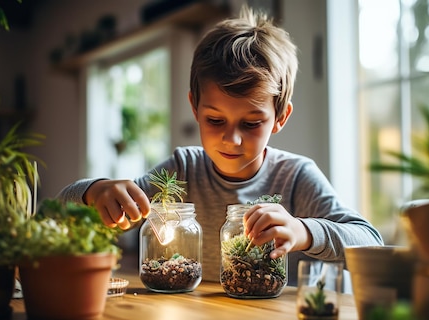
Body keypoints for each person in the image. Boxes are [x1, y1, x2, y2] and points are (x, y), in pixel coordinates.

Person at [57, 5, 384, 282]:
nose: (232, 138)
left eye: (251, 123)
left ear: (280, 117)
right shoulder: (182, 169)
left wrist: (303, 231)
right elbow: (56, 214)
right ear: (194, 108)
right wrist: (94, 191)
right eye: (215, 120)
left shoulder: (296, 176)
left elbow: (370, 241)